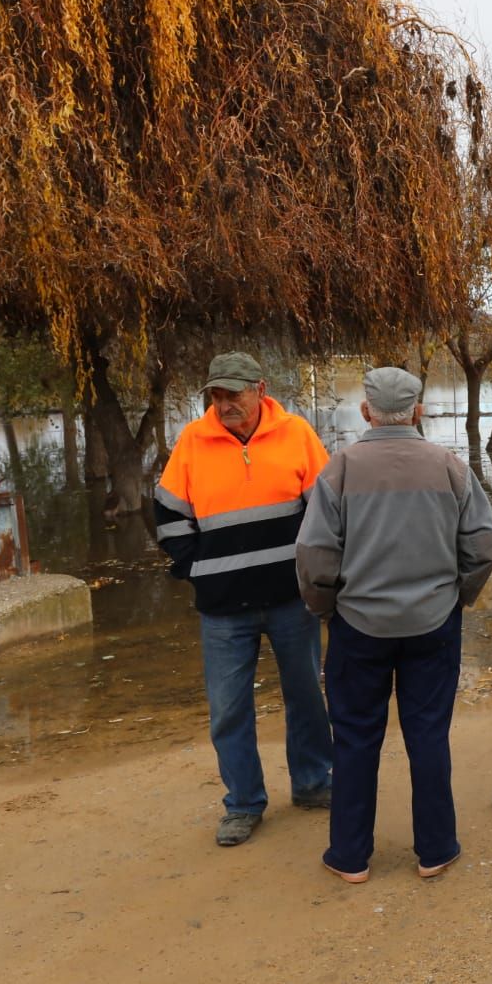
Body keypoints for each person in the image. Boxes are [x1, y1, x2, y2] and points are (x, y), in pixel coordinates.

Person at [296, 367, 492, 883]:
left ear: (366, 411)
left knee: (356, 737)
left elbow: (315, 555)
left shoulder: (340, 469)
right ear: (418, 410)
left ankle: (349, 856)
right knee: (428, 735)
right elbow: (481, 544)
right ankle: (435, 849)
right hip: (433, 624)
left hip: (358, 626)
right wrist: (459, 596)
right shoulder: (450, 466)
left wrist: (325, 609)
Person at [154, 351, 335, 847]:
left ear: (260, 387)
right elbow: (169, 515)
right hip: (222, 609)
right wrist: (198, 572)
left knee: (305, 697)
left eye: (234, 392)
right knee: (229, 709)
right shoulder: (193, 441)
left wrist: (316, 575)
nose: (224, 402)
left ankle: (314, 782)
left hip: (292, 601)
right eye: (216, 393)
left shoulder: (297, 433)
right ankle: (243, 804)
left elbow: (327, 511)